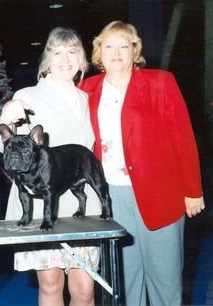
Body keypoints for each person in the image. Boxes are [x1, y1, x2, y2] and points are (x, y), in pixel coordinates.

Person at [78, 20, 205, 305]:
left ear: (135, 51)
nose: (116, 53)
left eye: (125, 45)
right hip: (110, 195)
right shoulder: (86, 89)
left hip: (161, 193)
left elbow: (183, 138)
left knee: (165, 279)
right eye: (108, 46)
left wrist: (193, 190)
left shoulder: (161, 82)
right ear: (98, 52)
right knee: (123, 279)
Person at [0, 27, 100, 306]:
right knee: (51, 286)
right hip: (41, 206)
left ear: (82, 60)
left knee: (85, 291)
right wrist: (7, 113)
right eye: (57, 52)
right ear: (47, 59)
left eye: (72, 52)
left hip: (79, 205)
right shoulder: (27, 95)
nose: (65, 59)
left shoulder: (85, 98)